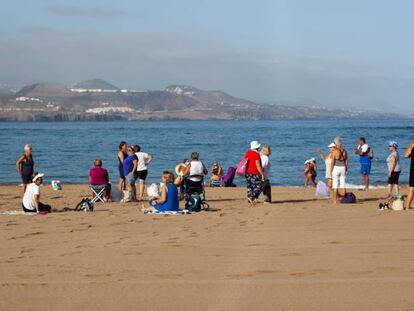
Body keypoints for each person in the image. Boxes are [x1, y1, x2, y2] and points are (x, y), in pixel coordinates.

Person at [244, 141, 265, 206]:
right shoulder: (256, 154)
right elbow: (258, 165)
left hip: (247, 172)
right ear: (258, 147)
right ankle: (251, 197)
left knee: (250, 186)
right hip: (255, 173)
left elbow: (245, 162)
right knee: (259, 186)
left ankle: (249, 199)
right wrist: (262, 174)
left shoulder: (248, 153)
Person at [331, 137, 349, 204]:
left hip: (336, 167)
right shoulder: (344, 151)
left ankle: (335, 200)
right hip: (343, 168)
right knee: (343, 183)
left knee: (335, 184)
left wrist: (331, 170)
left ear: (336, 144)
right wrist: (346, 167)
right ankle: (344, 199)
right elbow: (346, 160)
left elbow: (333, 162)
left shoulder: (334, 151)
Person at [404, 141, 414, 209]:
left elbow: (406, 155)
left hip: (413, 169)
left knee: (411, 188)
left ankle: (407, 206)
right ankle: (407, 206)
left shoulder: (412, 144)